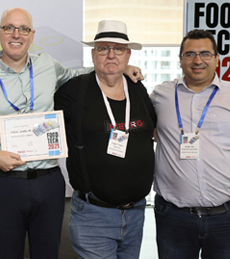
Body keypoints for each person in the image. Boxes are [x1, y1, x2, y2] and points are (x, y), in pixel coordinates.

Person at [0, 8, 144, 259]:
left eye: (23, 29)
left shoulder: (47, 65)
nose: (16, 34)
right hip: (4, 183)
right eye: (9, 28)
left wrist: (117, 68)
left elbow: (77, 76)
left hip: (48, 182)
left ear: (32, 35)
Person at [150, 29, 230, 259]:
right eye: (190, 54)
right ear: (180, 59)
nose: (197, 60)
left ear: (217, 59)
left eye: (205, 54)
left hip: (227, 216)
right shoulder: (161, 95)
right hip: (173, 217)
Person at [54, 20, 156, 259]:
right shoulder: (73, 92)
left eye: (118, 49)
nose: (111, 54)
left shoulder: (138, 88)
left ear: (127, 54)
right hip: (93, 215)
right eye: (103, 48)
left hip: (137, 214)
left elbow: (153, 129)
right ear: (93, 54)